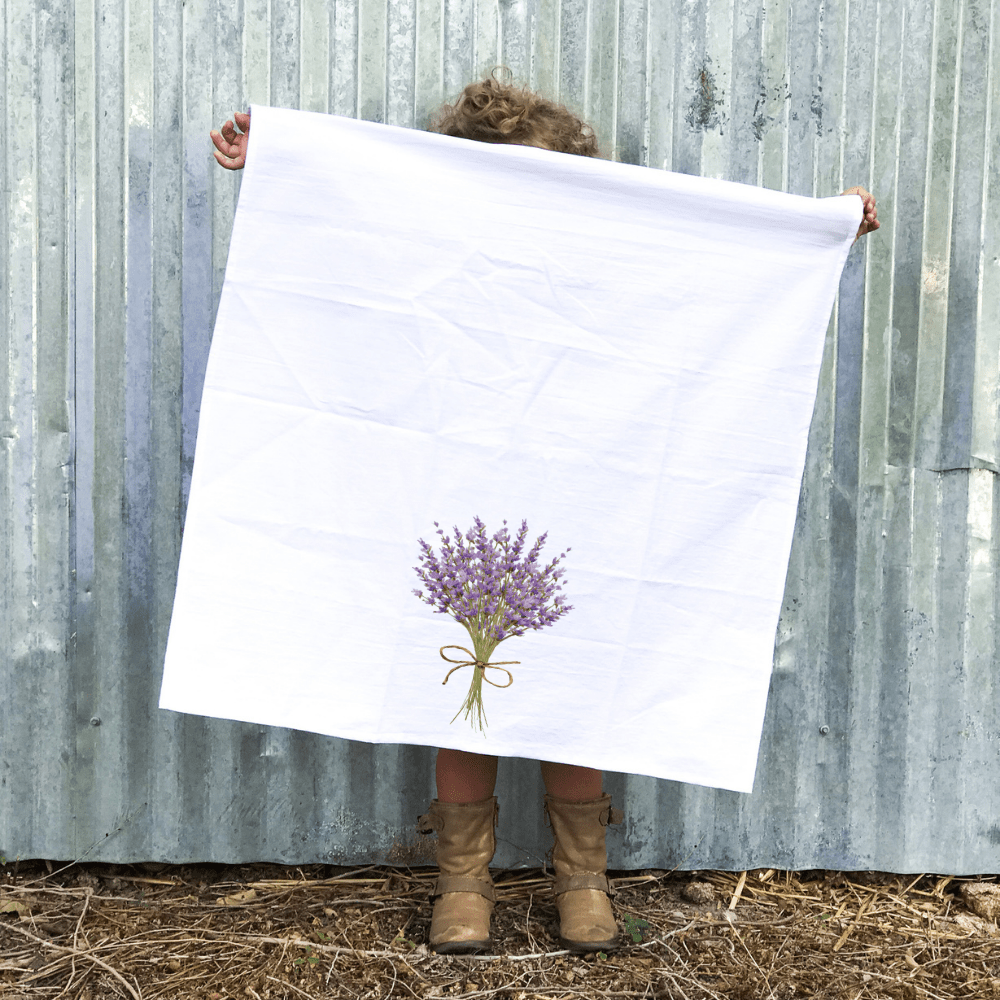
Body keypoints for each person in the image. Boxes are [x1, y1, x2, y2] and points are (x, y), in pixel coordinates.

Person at [210, 71, 880, 957]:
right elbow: (357, 227)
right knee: (459, 695)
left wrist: (820, 222)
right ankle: (462, 884)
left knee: (578, 686)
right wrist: (280, 162)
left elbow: (708, 260)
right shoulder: (436, 235)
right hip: (458, 483)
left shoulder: (610, 241)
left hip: (583, 492)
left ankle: (583, 880)